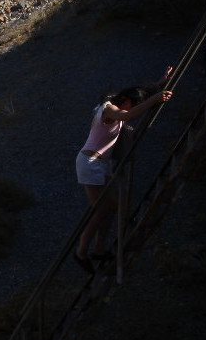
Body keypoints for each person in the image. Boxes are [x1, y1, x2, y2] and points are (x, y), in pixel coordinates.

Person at [74, 69, 173, 272]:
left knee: (110, 207)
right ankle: (81, 252)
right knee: (101, 210)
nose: (135, 109)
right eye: (133, 104)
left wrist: (160, 82)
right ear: (125, 100)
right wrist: (154, 99)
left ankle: (99, 249)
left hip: (99, 164)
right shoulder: (109, 109)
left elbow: (136, 95)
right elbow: (127, 113)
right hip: (90, 163)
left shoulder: (118, 102)